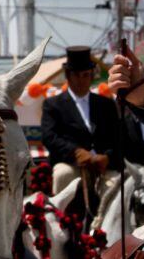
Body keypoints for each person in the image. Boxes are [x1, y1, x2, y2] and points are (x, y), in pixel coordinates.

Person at [42, 46, 122, 195]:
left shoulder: (106, 104)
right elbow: (49, 136)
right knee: (62, 175)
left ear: (91, 76)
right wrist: (76, 152)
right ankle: (61, 217)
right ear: (68, 75)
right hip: (70, 164)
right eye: (76, 75)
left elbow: (118, 137)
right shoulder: (53, 104)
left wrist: (107, 157)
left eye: (85, 75)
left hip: (103, 166)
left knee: (119, 185)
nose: (81, 80)